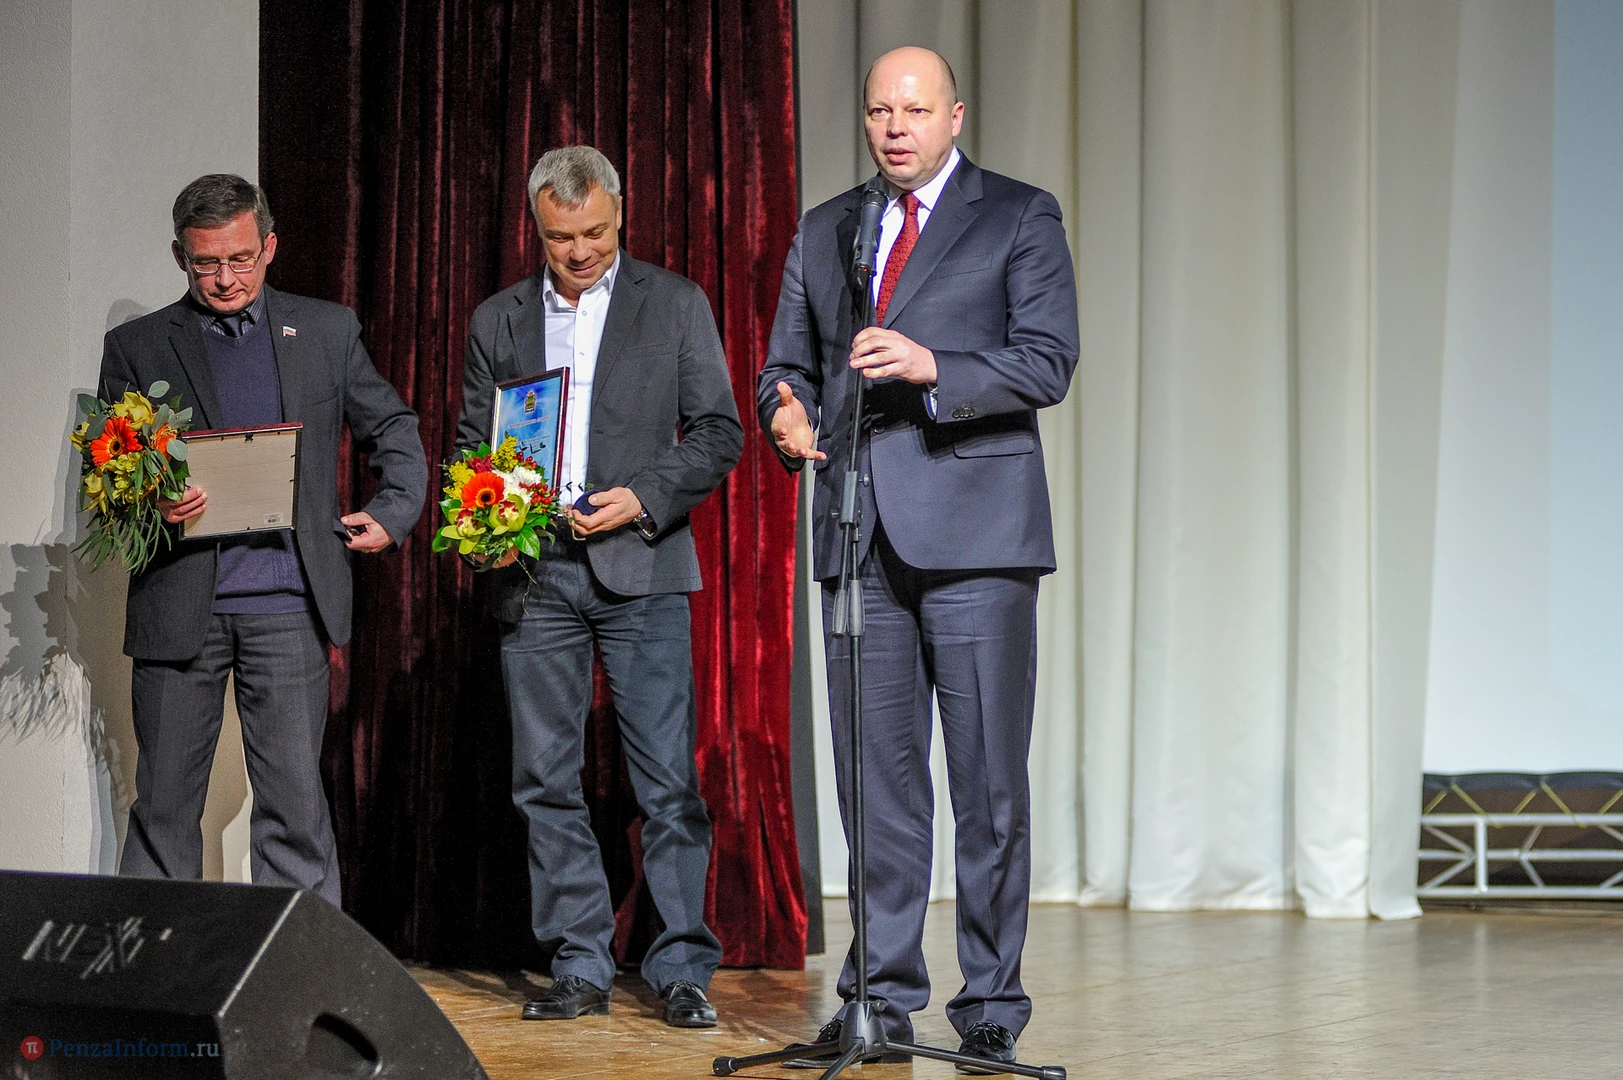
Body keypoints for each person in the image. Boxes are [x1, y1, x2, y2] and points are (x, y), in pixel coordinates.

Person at [758, 47, 1080, 1071]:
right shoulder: (829, 228)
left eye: (914, 110)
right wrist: (784, 413)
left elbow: (1047, 359)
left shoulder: (1017, 215)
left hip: (978, 535)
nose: (894, 128)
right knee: (876, 785)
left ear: (955, 115)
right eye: (878, 111)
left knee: (986, 784)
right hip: (858, 532)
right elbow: (782, 364)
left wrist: (934, 365)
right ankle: (880, 999)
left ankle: (990, 1004)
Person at [454, 146, 742, 1029]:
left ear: (620, 215)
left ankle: (681, 965)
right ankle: (579, 961)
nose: (578, 252)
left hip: (641, 566)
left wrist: (642, 497)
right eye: (559, 238)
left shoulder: (675, 303)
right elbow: (472, 444)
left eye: (594, 234)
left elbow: (719, 432)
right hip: (535, 572)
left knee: (666, 784)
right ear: (534, 229)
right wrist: (487, 520)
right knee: (543, 779)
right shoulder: (498, 319)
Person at [103, 173, 427, 906]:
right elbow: (110, 473)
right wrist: (153, 497)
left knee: (294, 811)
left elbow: (393, 427)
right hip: (179, 606)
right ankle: (158, 964)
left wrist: (393, 510)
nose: (225, 279)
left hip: (288, 606)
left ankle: (297, 967)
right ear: (180, 257)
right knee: (163, 810)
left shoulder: (326, 329)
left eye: (240, 259)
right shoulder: (137, 346)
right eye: (206, 263)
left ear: (270, 247)